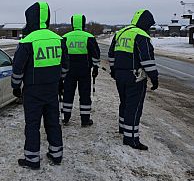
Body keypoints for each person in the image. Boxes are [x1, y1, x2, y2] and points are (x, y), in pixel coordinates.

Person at [11, 2, 69, 170]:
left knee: (32, 125)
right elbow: (65, 66)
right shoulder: (59, 40)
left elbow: (18, 68)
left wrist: (15, 86)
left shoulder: (28, 41)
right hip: (52, 89)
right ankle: (56, 155)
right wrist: (59, 81)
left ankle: (32, 160)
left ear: (31, 18)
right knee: (53, 122)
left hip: (33, 91)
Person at [108, 9, 159, 150]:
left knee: (124, 103)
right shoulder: (141, 35)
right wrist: (154, 78)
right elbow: (147, 60)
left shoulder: (120, 33)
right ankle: (131, 139)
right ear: (145, 23)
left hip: (120, 75)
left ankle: (123, 128)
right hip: (135, 77)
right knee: (134, 107)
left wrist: (114, 71)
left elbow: (111, 55)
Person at [61, 14, 100, 126]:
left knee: (68, 94)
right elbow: (95, 55)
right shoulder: (88, 37)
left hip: (69, 71)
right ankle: (85, 120)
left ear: (72, 23)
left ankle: (66, 118)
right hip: (84, 71)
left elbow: (61, 56)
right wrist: (95, 68)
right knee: (84, 95)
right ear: (83, 23)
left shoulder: (65, 37)